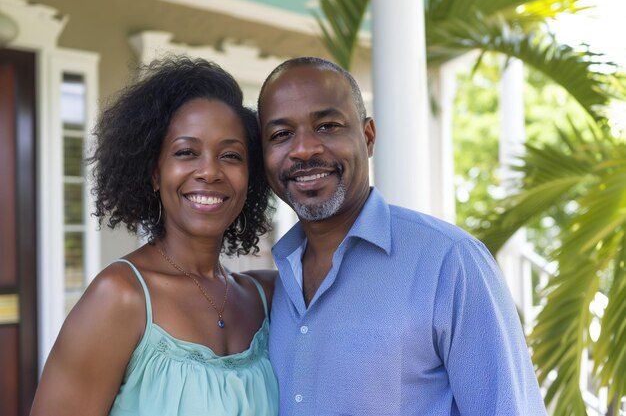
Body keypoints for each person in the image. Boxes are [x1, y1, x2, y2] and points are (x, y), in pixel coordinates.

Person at [257, 56, 547, 416]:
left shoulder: (450, 262)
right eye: (281, 135)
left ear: (368, 137)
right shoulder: (276, 284)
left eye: (328, 126)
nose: (304, 149)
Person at [30, 57, 278, 416]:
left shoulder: (265, 298)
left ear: (250, 177)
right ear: (153, 173)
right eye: (186, 152)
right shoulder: (120, 297)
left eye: (230, 155)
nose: (209, 171)